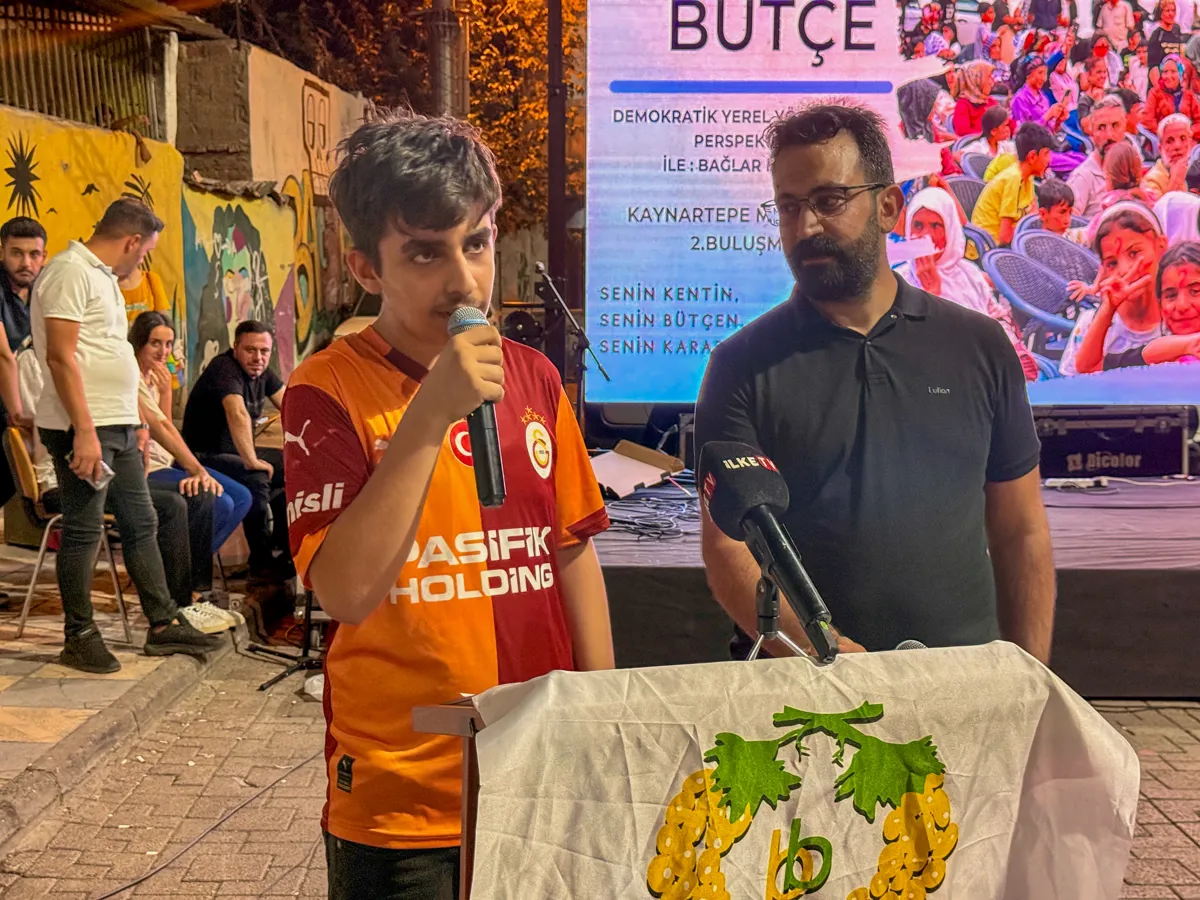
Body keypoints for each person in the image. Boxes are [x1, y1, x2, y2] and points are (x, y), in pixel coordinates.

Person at [282, 110, 614, 899]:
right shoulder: (326, 389)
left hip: (538, 768)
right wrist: (431, 413)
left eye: (477, 243)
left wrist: (605, 712)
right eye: (425, 253)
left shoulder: (532, 376)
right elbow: (345, 591)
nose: (463, 281)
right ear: (367, 268)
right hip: (405, 800)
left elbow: (570, 549)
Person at [695, 102, 1054, 665]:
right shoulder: (740, 365)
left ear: (888, 206)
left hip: (964, 686)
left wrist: (1031, 681)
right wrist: (822, 651)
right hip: (805, 696)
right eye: (789, 207)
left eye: (829, 201)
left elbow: (1021, 532)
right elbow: (728, 547)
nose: (805, 227)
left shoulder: (980, 346)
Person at [31, 198, 221, 673]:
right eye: (145, 252)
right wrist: (85, 431)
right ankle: (79, 636)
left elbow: (106, 353)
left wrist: (133, 422)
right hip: (83, 427)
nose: (142, 262)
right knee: (83, 530)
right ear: (132, 241)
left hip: (116, 423)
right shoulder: (69, 272)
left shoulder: (103, 279)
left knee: (142, 522)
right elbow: (61, 356)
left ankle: (162, 622)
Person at [129, 312, 252, 611]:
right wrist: (194, 468)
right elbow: (159, 430)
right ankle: (189, 584)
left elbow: (165, 424)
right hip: (146, 468)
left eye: (168, 344)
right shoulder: (130, 376)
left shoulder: (157, 375)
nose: (163, 351)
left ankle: (176, 568)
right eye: (155, 343)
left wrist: (166, 390)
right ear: (138, 343)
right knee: (218, 501)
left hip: (167, 460)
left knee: (241, 496)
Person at [181, 321, 288, 581]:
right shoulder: (224, 369)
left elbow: (292, 405)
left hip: (233, 453)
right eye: (250, 350)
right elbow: (237, 412)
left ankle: (286, 550)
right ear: (235, 347)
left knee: (292, 466)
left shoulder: (262, 372)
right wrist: (251, 460)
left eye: (264, 351)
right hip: (204, 455)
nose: (258, 357)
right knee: (256, 477)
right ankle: (261, 563)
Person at [896, 187, 1039, 379]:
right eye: (918, 225)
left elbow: (996, 317)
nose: (926, 235)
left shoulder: (969, 274)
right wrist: (932, 296)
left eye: (936, 226)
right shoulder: (898, 283)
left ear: (950, 230)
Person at [1062, 202, 1169, 373]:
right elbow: (1074, 381)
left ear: (1161, 246)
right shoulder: (1091, 325)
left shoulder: (1180, 317)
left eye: (1134, 253)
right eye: (1112, 263)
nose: (1124, 269)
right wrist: (1108, 309)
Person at [1102, 239, 1200, 366]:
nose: (1182, 305)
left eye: (1196, 291)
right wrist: (1108, 308)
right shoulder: (1156, 356)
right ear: (1160, 304)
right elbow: (1091, 368)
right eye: (1171, 295)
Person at [971, 121, 1056, 244]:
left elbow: (1033, 212)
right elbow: (1005, 237)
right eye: (1046, 154)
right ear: (1032, 157)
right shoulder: (1013, 180)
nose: (1049, 160)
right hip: (990, 247)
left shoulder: (1027, 176)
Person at [1068, 96, 1130, 217]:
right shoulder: (1083, 177)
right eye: (1101, 128)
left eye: (1115, 125)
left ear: (1125, 126)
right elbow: (1068, 224)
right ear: (1092, 133)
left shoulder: (1131, 167)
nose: (1109, 135)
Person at [1143, 55, 1200, 135]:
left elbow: (1198, 122)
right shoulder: (1155, 93)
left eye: (1173, 71)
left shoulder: (1189, 95)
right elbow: (1147, 120)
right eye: (1165, 72)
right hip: (1161, 139)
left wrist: (1188, 132)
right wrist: (1164, 133)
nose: (1168, 76)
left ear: (1180, 73)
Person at [1142, 113, 1195, 198]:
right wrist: (1175, 181)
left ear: (1191, 143)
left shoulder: (1196, 170)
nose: (1177, 146)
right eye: (1169, 141)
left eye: (1183, 138)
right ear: (1160, 149)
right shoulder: (1151, 182)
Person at [1010, 56, 1069, 129]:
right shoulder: (1019, 99)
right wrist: (1048, 115)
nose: (1044, 79)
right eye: (1040, 73)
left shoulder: (1043, 97)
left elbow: (1049, 130)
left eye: (1045, 74)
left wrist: (1058, 121)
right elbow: (1023, 132)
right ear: (1028, 74)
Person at [952, 62, 998, 135]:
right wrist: (991, 134)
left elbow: (1006, 123)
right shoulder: (963, 105)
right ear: (976, 79)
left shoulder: (990, 101)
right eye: (988, 77)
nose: (992, 82)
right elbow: (964, 134)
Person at [1148, 0, 1186, 71]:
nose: (1171, 14)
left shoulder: (1177, 30)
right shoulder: (1156, 34)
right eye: (1167, 11)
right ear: (1160, 13)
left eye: (1173, 10)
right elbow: (1152, 65)